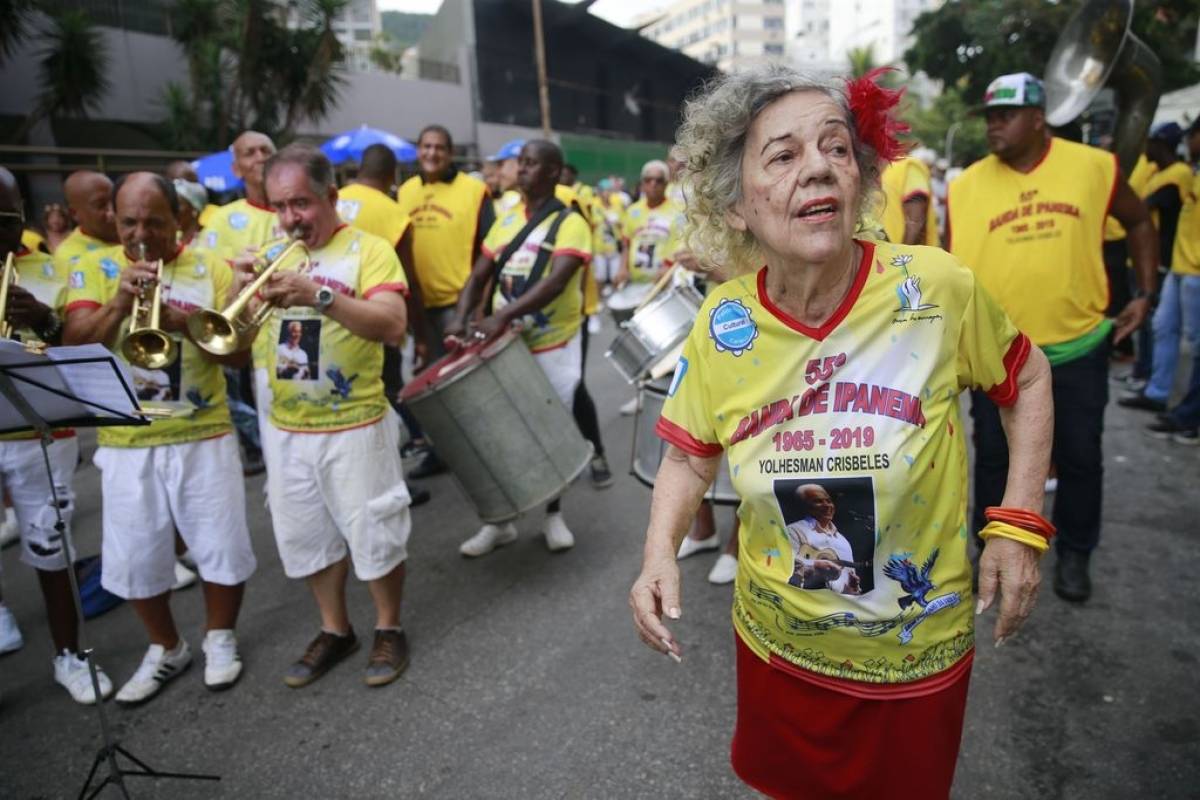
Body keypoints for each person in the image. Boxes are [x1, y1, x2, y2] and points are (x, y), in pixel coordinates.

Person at [629, 65, 1053, 799]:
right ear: (736, 206)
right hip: (779, 645)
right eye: (783, 155)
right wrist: (657, 552)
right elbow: (690, 456)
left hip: (913, 653)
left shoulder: (934, 290)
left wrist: (1018, 524)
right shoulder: (724, 322)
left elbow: (1030, 380)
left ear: (859, 179)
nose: (819, 167)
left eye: (835, 148)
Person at [947, 72, 1158, 603]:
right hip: (999, 356)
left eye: (1006, 115)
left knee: (1080, 455)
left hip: (1077, 346)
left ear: (1039, 118)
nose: (994, 125)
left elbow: (1139, 222)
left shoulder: (1093, 166)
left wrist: (1144, 294)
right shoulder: (965, 185)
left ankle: (1076, 554)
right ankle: (989, 549)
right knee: (994, 459)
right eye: (989, 116)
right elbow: (953, 272)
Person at [63, 173, 256, 704]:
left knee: (220, 545)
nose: (141, 234)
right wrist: (117, 306)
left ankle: (220, 637)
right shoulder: (92, 268)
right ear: (114, 219)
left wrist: (181, 320)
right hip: (127, 439)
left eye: (154, 222)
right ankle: (167, 646)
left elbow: (239, 355)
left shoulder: (212, 268)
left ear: (179, 219)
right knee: (135, 557)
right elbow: (72, 345)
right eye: (129, 222)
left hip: (203, 431)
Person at [232, 144, 414, 688]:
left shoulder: (369, 250)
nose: (290, 218)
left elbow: (393, 326)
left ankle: (388, 626)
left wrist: (319, 295)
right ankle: (336, 629)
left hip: (356, 423)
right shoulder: (269, 255)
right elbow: (235, 347)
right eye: (279, 206)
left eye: (301, 203)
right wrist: (240, 292)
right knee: (307, 535)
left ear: (331, 196)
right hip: (287, 429)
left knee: (376, 530)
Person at [0, 166, 115, 704]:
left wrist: (43, 320)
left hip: (41, 435)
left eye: (6, 219)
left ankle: (70, 654)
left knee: (53, 547)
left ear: (22, 214)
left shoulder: (52, 266)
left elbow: (74, 349)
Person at [445, 139, 592, 556]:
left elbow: (556, 282)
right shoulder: (506, 219)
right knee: (497, 434)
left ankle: (553, 514)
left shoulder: (570, 222)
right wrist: (460, 316)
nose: (521, 169)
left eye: (530, 163)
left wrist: (502, 316)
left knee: (550, 431)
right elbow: (479, 275)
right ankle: (500, 522)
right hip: (506, 346)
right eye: (520, 162)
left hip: (552, 345)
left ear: (553, 172)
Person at [396, 124, 494, 479]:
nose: (432, 153)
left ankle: (483, 454)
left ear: (450, 153)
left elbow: (491, 251)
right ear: (418, 150)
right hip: (419, 307)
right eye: (426, 146)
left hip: (459, 307)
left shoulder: (475, 190)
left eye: (439, 147)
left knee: (466, 384)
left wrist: (480, 308)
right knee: (430, 385)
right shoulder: (405, 191)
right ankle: (441, 452)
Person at [1118, 122, 1194, 414]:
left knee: (1160, 325)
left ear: (1161, 145)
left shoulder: (1178, 174)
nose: (1144, 148)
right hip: (1173, 264)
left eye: (1149, 143)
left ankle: (1158, 385)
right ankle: (1151, 383)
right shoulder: (1158, 172)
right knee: (1157, 325)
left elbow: (1142, 206)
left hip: (1169, 261)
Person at [1143, 119, 1200, 444]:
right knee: (1163, 327)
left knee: (1197, 345)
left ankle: (1190, 417)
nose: (1189, 143)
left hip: (1194, 271)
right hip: (1180, 266)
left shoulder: (1180, 174)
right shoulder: (1192, 174)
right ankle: (1158, 392)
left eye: (1193, 136)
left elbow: (1148, 205)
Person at [616, 159, 687, 416]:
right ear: (642, 183)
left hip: (661, 289)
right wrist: (622, 267)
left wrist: (665, 270)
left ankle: (665, 396)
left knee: (661, 347)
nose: (653, 185)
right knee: (636, 347)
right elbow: (626, 243)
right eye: (648, 180)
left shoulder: (676, 212)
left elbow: (679, 247)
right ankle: (639, 392)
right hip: (636, 286)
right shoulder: (633, 211)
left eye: (659, 180)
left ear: (666, 183)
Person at [784, 484, 861, 594]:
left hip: (838, 603)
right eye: (818, 501)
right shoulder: (794, 531)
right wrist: (816, 566)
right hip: (808, 599)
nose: (827, 505)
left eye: (829, 501)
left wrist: (853, 589)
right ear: (804, 506)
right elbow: (786, 566)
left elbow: (850, 586)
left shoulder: (843, 541)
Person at [55, 171, 118, 271]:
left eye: (115, 201)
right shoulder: (70, 256)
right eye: (101, 205)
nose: (112, 211)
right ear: (74, 213)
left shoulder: (132, 235)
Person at [880, 152, 938, 246]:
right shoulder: (876, 169)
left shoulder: (908, 167)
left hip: (900, 250)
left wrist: (902, 252)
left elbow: (915, 220)